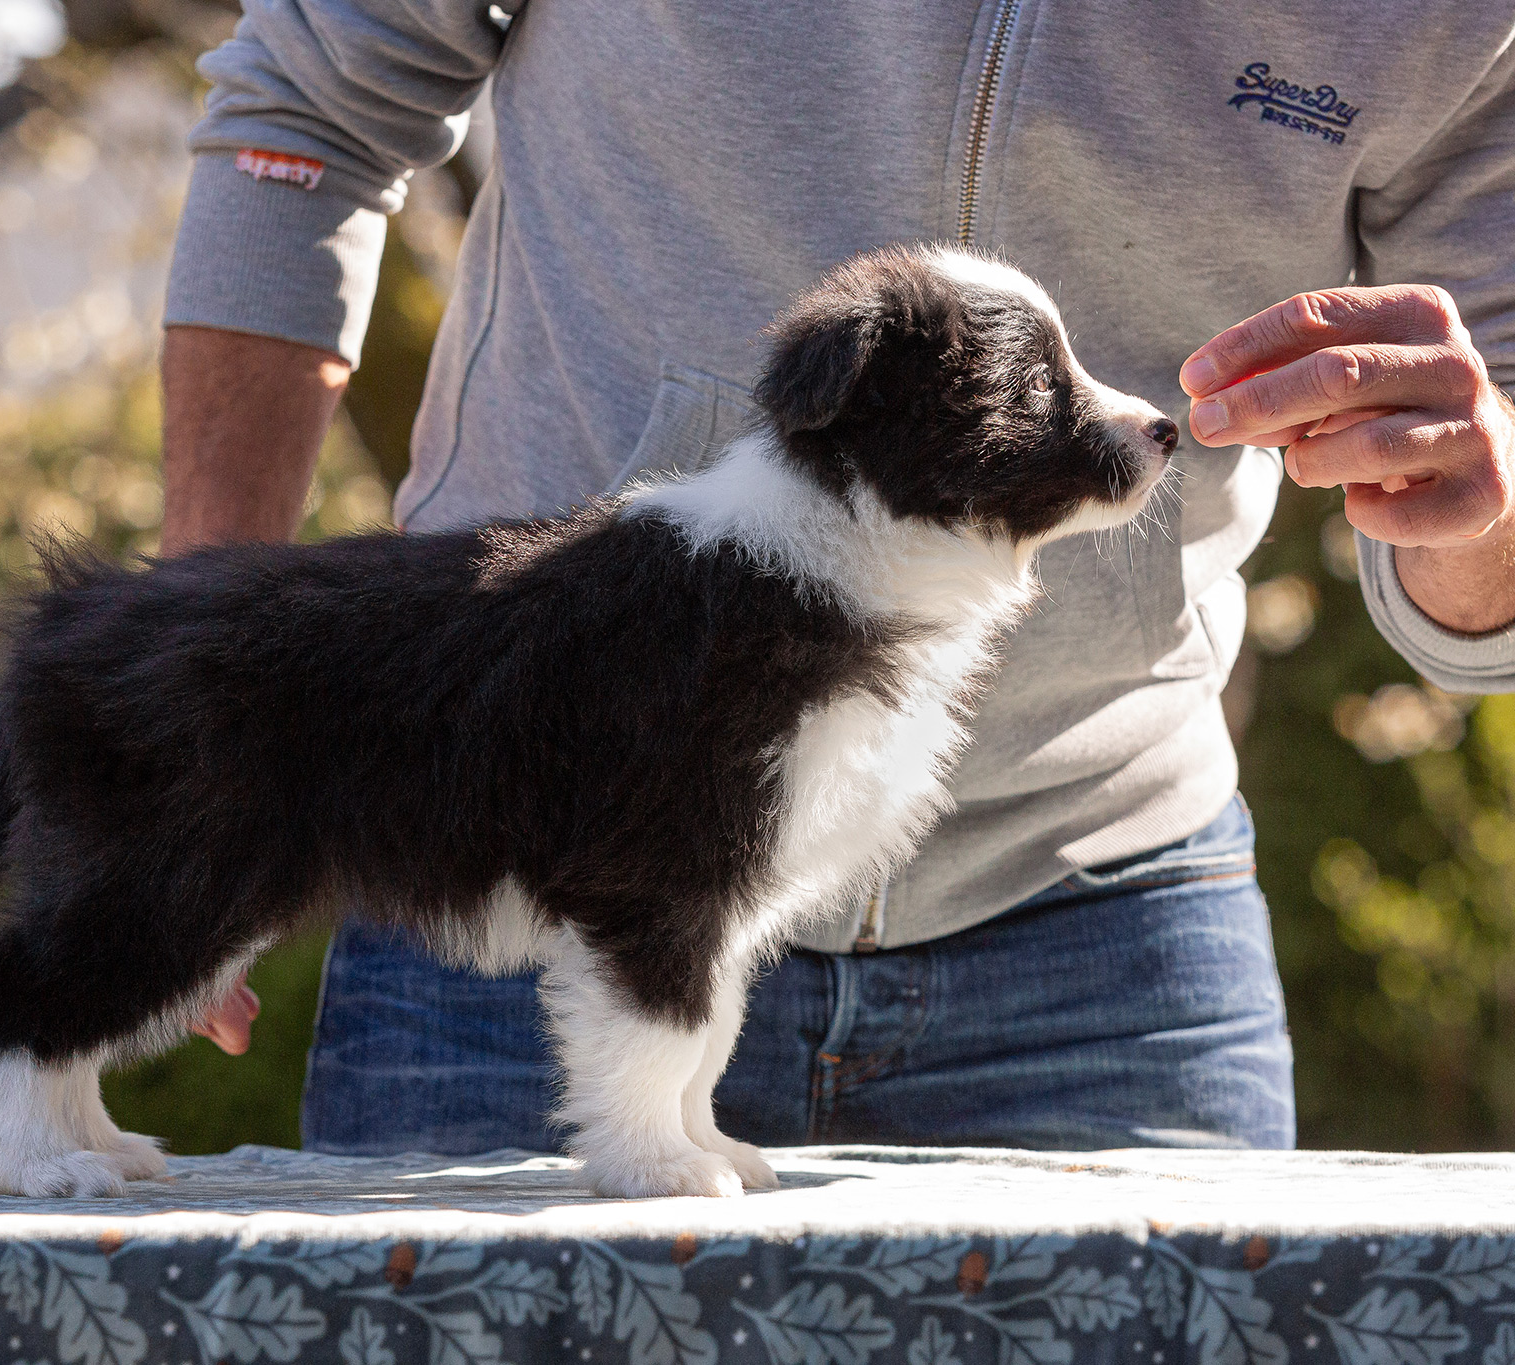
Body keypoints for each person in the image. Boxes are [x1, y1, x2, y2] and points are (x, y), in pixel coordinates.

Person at [159, 2, 1515, 1153]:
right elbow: (308, 113)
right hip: (529, 838)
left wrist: (1477, 479)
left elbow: (1480, 568)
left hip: (1103, 925)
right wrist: (208, 722)